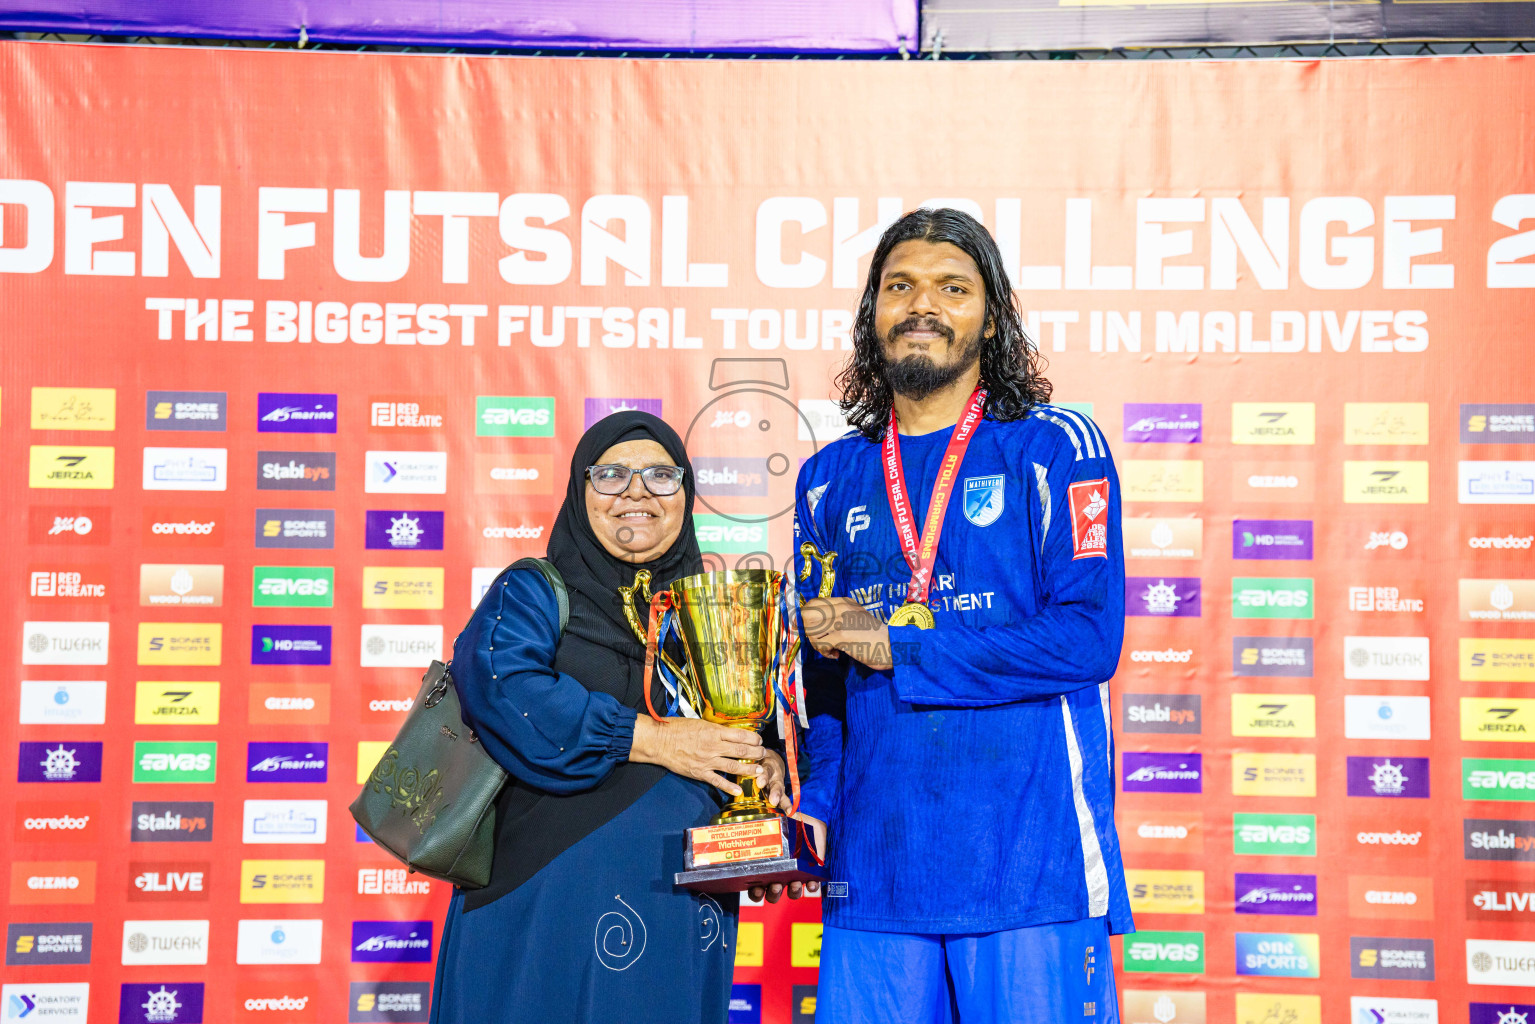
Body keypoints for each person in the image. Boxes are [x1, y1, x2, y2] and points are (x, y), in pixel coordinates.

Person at [792, 208, 1133, 1024]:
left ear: (992, 315)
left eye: (953, 288)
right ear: (870, 312)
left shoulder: (1053, 445)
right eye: (899, 286)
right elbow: (824, 680)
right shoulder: (824, 478)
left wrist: (900, 645)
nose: (923, 306)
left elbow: (1088, 638)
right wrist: (815, 798)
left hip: (1028, 863)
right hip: (873, 873)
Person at [431, 410, 793, 1024]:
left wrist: (767, 772)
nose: (635, 493)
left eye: (659, 475)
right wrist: (652, 739)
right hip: (547, 902)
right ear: (580, 491)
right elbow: (502, 684)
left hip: (683, 910)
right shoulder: (532, 592)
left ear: (685, 494)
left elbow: (756, 728)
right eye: (611, 475)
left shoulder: (715, 611)